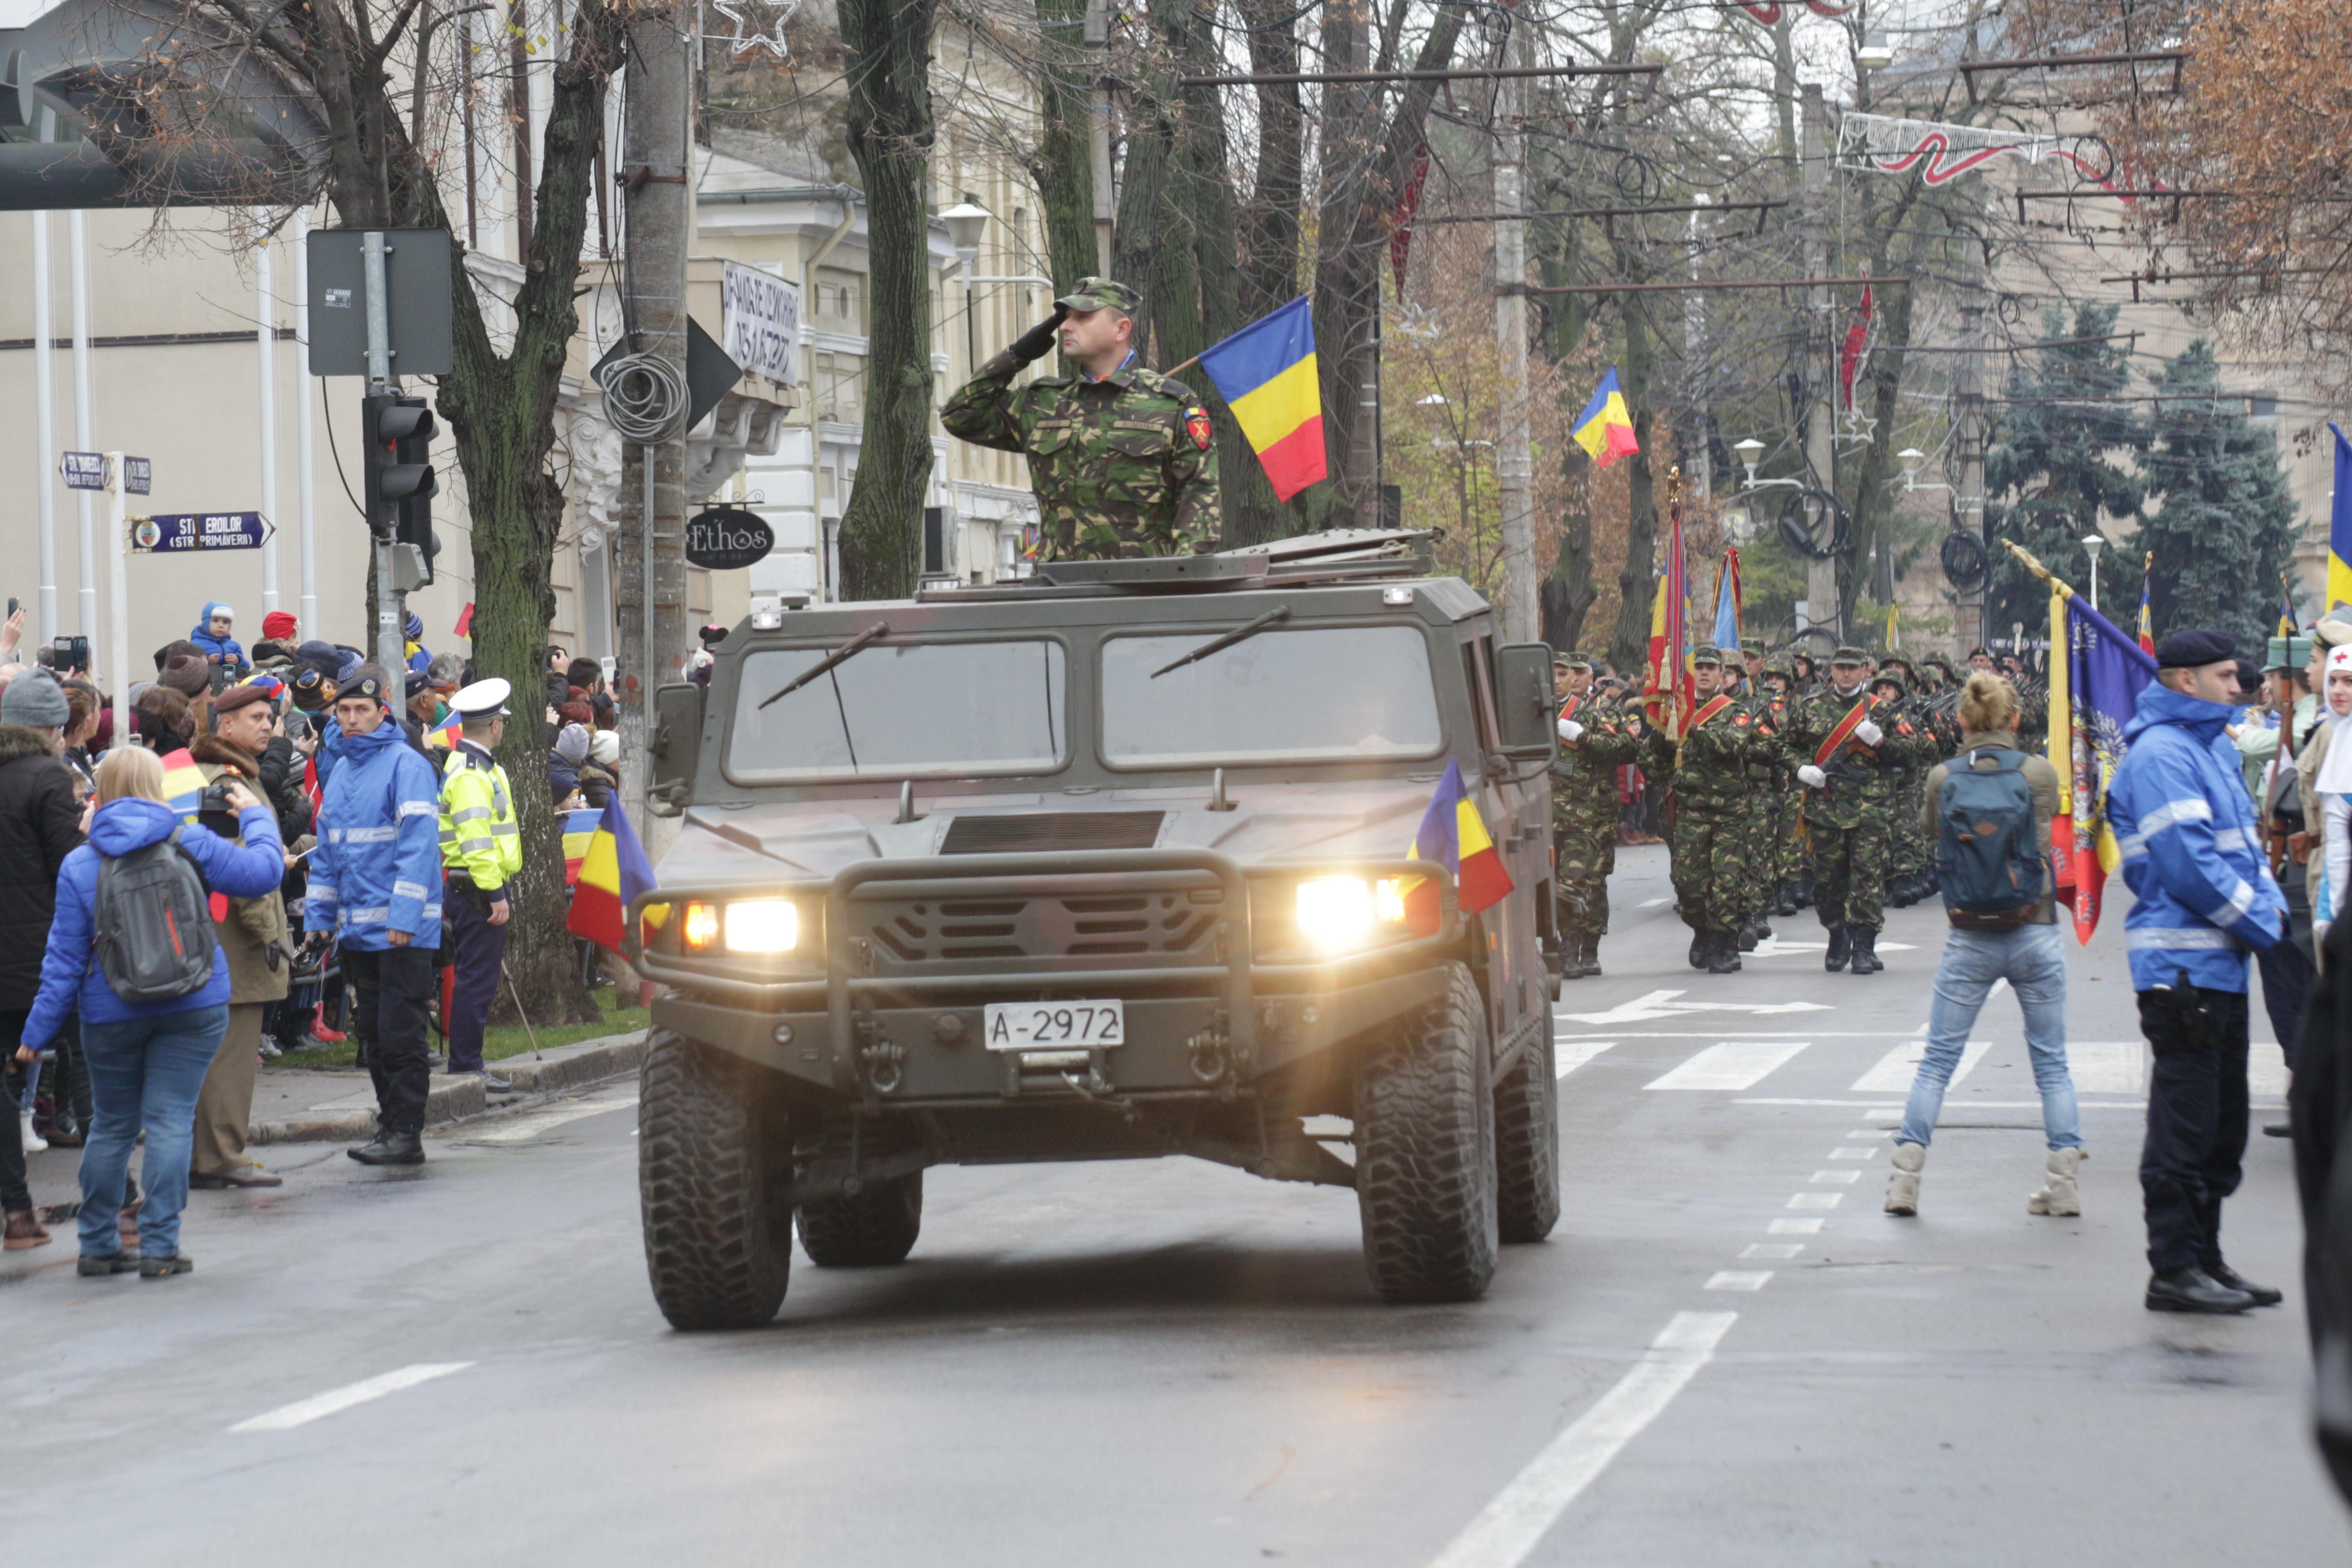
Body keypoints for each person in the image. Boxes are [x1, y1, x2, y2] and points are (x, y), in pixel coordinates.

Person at [15, 746, 284, 1278]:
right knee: (170, 1122)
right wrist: (254, 814)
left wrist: (35, 1035)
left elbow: (65, 960)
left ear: (100, 791)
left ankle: (97, 1244)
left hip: (110, 1010)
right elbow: (263, 873)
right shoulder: (190, 841)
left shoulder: (79, 862)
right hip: (195, 1001)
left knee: (112, 1127)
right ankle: (160, 1246)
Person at [2108, 627, 2290, 1314]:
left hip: (2221, 967)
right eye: (2225, 677)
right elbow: (2187, 865)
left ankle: (2207, 1260)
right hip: (2182, 970)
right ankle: (2175, 1269)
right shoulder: (2161, 754)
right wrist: (2262, 920)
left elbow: (2243, 849)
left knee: (2221, 1128)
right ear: (2186, 681)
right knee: (2184, 1127)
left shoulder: (2208, 745)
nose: (2239, 688)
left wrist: (2267, 909)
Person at [1883, 673, 2081, 1217]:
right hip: (2034, 925)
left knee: (1938, 1061)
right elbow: (2049, 824)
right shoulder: (2040, 773)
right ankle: (2063, 1182)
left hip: (1969, 934)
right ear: (2016, 720)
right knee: (2052, 1063)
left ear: (1962, 721)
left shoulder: (1943, 776)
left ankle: (1905, 1177)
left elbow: (1930, 831)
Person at [941, 276, 1221, 560]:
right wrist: (1016, 356)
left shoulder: (1170, 404)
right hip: (1058, 587)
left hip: (1140, 588)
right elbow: (959, 415)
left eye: (1083, 317)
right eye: (1065, 318)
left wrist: (1184, 578)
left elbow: (1200, 496)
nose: (1064, 326)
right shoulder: (1044, 403)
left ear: (1121, 329)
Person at [308, 666, 445, 1168]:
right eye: (343, 711)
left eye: (361, 710)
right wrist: (319, 918)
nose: (351, 719)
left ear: (380, 711)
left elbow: (419, 848)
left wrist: (404, 915)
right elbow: (328, 852)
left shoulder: (406, 765)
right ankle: (392, 1126)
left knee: (400, 1034)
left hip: (402, 929)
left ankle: (406, 1131)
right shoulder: (341, 768)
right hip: (358, 929)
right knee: (373, 1037)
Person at [185, 684, 293, 1189]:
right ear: (224, 724)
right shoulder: (229, 781)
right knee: (230, 1058)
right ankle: (222, 1156)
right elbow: (239, 870)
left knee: (215, 1055)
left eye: (270, 717)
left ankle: (207, 1155)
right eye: (256, 717)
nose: (267, 725)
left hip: (218, 933)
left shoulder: (226, 773)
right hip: (237, 939)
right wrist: (270, 936)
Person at [0, 670, 83, 1250]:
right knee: (89, 1068)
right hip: (44, 955)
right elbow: (70, 867)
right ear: (53, 728)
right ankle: (124, 1205)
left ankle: (17, 1214)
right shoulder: (49, 778)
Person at [1788, 647, 1931, 975]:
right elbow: (1785, 745)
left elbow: (1923, 749)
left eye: (1853, 668)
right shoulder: (1811, 708)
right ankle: (1837, 933)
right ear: (1831, 670)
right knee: (1827, 883)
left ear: (1866, 671)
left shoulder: (1885, 711)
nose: (1846, 674)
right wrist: (1800, 768)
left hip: (1871, 810)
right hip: (1826, 810)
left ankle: (1864, 946)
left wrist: (1882, 743)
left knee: (1867, 879)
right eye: (1840, 668)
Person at [1648, 646, 1773, 975]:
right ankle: (1702, 930)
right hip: (1690, 811)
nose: (1703, 672)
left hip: (1730, 813)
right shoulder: (1675, 711)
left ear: (1722, 675)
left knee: (1727, 883)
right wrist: (1667, 767)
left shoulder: (1736, 712)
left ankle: (1725, 944)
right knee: (1688, 883)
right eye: (1698, 667)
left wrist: (1693, 729)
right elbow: (1651, 759)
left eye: (1710, 668)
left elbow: (1730, 744)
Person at [437, 678, 521, 1090]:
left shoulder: (478, 767)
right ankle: (467, 1065)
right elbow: (477, 842)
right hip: (477, 888)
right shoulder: (473, 775)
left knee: (476, 979)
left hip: (473, 886)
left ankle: (468, 1061)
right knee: (477, 981)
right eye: (501, 721)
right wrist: (495, 895)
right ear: (494, 726)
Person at [1551, 651, 1638, 979]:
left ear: (1585, 676)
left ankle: (1580, 950)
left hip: (1586, 815)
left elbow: (1629, 748)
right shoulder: (1531, 712)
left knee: (1582, 883)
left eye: (1570, 673)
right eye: (1557, 674)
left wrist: (1583, 737)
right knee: (1553, 886)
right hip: (1542, 816)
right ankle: (1557, 947)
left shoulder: (1597, 712)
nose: (1565, 680)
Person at [186, 604, 249, 676]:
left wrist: (239, 661)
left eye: (226, 622)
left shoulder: (235, 646)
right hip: (208, 684)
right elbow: (190, 667)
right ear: (206, 622)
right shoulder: (195, 645)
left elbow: (247, 666)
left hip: (232, 684)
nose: (221, 626)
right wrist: (208, 661)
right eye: (216, 621)